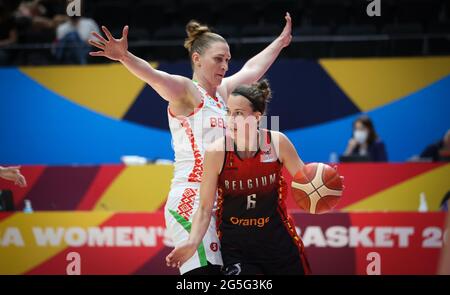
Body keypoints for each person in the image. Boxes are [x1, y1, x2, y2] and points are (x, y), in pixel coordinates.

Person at [88, 14, 293, 275]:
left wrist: (280, 42)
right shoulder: (186, 91)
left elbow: (252, 69)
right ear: (197, 59)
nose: (225, 66)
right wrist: (125, 57)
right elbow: (154, 77)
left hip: (218, 204)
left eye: (227, 60)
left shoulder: (223, 95)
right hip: (191, 199)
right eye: (218, 59)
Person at [166, 80, 314, 275]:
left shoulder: (277, 142)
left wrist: (325, 187)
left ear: (256, 117)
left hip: (278, 242)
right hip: (237, 249)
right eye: (228, 112)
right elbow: (204, 208)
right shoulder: (217, 152)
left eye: (238, 114)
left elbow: (307, 182)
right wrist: (192, 242)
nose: (231, 120)